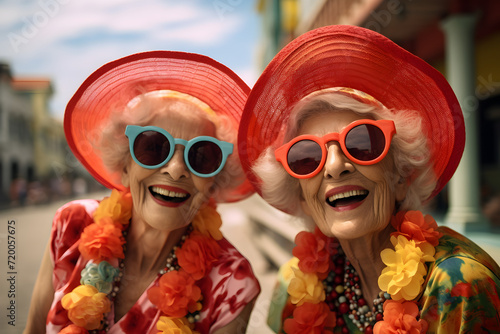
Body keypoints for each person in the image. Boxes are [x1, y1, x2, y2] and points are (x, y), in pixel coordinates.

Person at [238, 25, 500, 333]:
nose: (335, 167)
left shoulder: (458, 284)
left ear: (402, 175)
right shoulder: (294, 284)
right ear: (302, 198)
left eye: (362, 143)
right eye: (306, 157)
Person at [25, 51, 260, 334]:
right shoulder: (72, 225)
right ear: (125, 166)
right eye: (153, 147)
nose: (175, 170)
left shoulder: (232, 285)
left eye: (201, 156)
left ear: (214, 181)